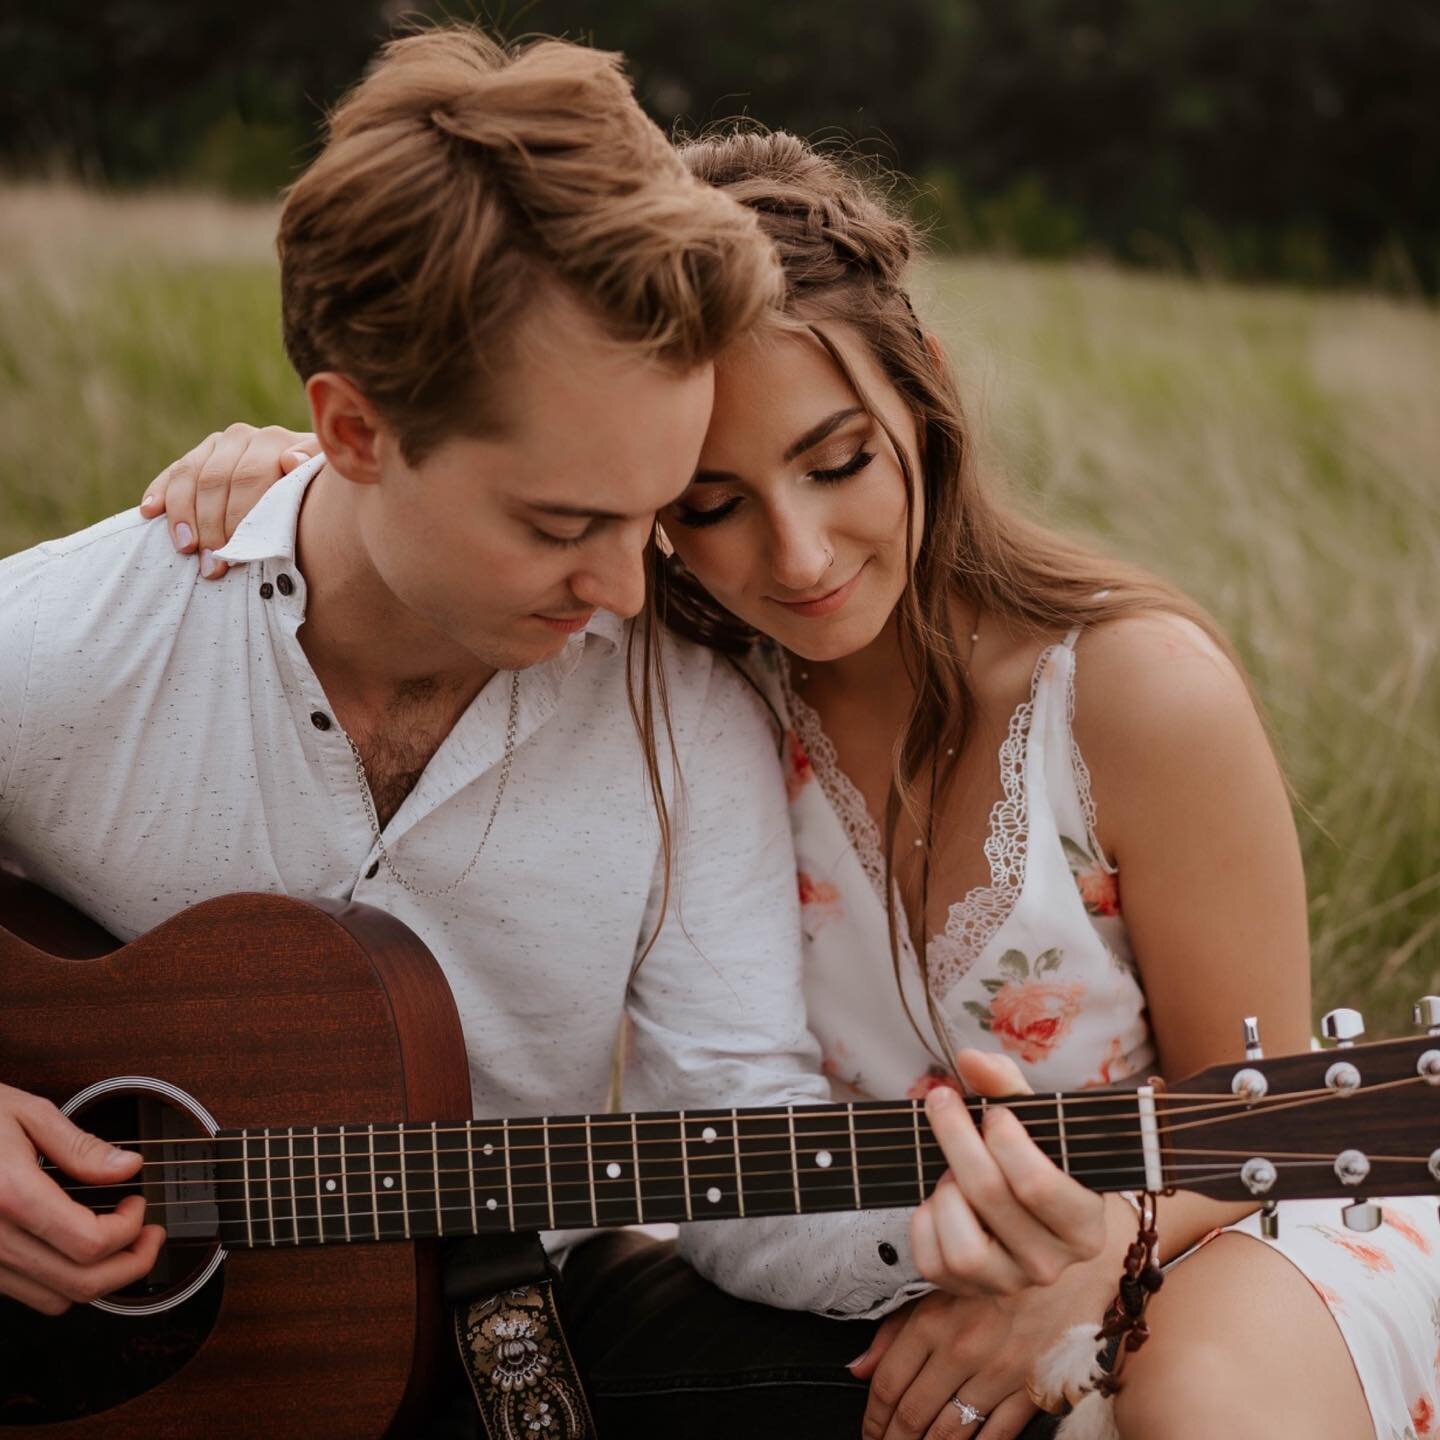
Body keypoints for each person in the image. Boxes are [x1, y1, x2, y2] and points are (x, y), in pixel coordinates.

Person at [159, 128, 1440, 1440]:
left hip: (1220, 1232)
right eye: (710, 505)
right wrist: (287, 475)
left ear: (921, 394)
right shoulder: (660, 692)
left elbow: (1273, 1113)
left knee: (1196, 1406)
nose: (802, 552)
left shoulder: (1131, 691)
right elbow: (427, 506)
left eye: (838, 462)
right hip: (858, 1265)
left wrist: (1083, 1272)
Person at [0, 30, 1063, 1440]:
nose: (630, 593)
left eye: (657, 511)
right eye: (563, 525)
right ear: (353, 431)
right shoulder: (64, 644)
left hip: (498, 1334)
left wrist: (945, 1221)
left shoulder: (681, 713)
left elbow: (734, 1155)